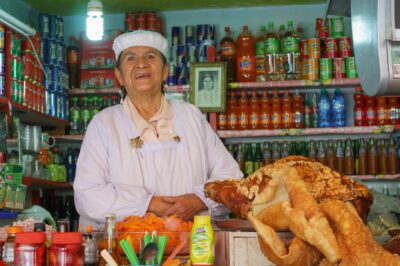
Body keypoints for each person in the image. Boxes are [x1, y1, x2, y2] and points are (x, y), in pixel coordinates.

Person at [73, 30, 243, 229]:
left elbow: (231, 179)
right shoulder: (104, 123)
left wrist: (199, 199)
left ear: (165, 72)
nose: (141, 63)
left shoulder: (191, 116)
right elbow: (88, 195)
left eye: (150, 56)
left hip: (193, 246)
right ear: (119, 75)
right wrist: (148, 204)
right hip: (127, 250)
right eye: (130, 58)